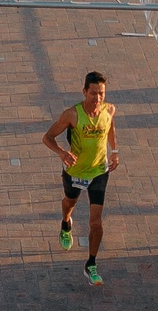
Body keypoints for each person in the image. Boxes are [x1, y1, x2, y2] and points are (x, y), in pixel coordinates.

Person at [43, 72, 117, 283]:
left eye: (101, 93)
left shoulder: (109, 110)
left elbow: (110, 128)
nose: (97, 98)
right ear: (84, 92)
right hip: (75, 171)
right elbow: (47, 137)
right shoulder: (72, 115)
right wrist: (62, 153)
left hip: (99, 173)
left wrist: (115, 151)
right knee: (69, 202)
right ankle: (66, 223)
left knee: (96, 222)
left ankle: (91, 263)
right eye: (93, 93)